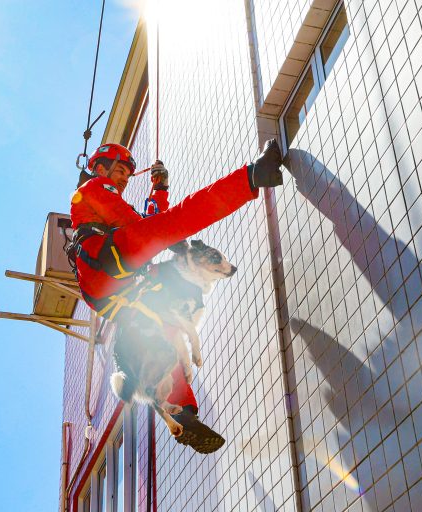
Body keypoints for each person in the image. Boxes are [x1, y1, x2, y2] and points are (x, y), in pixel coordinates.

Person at [68, 140, 284, 452]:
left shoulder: (103, 197)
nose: (122, 180)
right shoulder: (93, 187)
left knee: (166, 333)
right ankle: (251, 177)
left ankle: (182, 412)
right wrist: (163, 221)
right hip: (104, 265)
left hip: (116, 289)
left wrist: (160, 189)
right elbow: (140, 223)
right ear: (99, 168)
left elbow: (144, 224)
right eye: (118, 171)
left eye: (127, 177)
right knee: (175, 224)